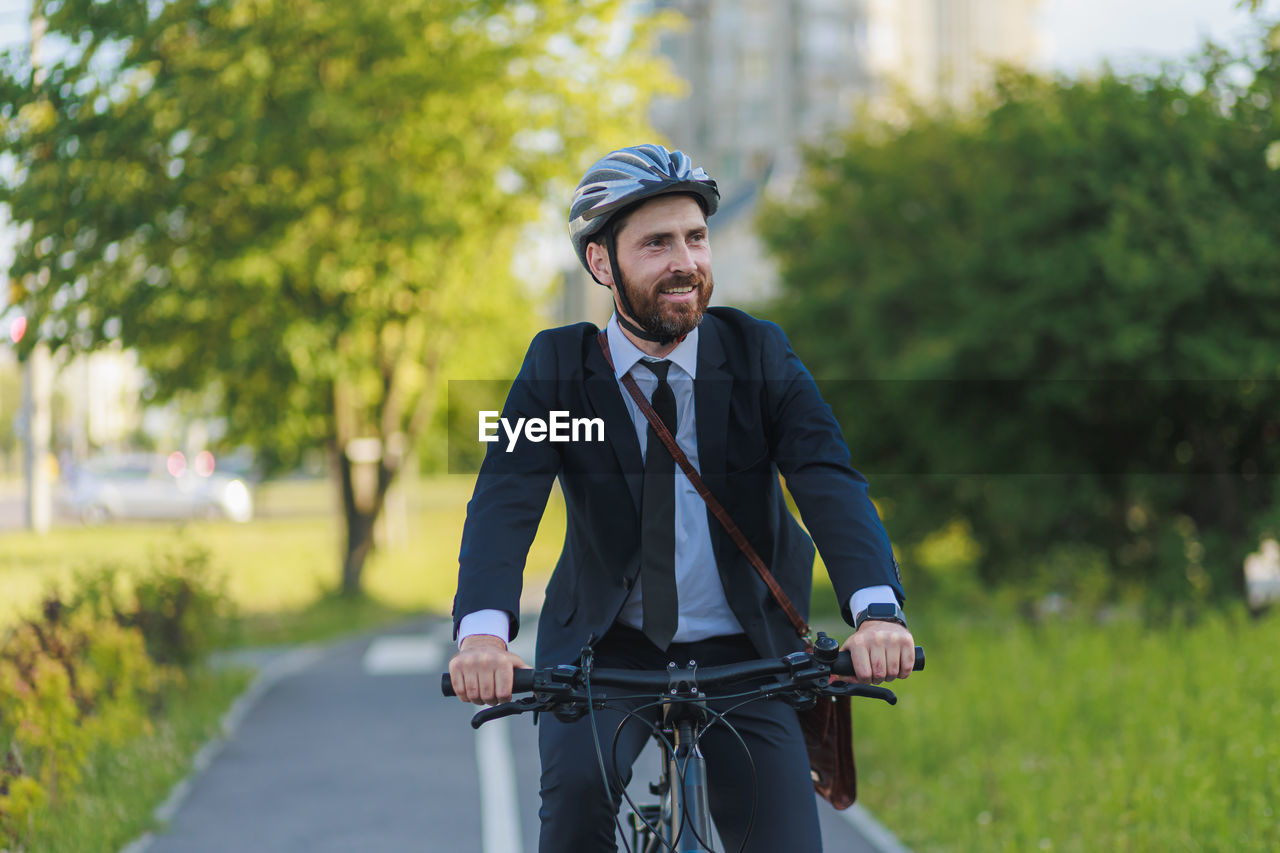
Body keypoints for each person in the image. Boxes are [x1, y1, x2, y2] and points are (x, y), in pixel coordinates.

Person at [449, 144, 914, 852]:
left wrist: (877, 611)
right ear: (602, 263)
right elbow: (506, 497)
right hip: (606, 656)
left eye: (696, 238)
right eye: (657, 243)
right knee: (574, 814)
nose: (686, 262)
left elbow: (826, 477)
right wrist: (483, 633)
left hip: (747, 650)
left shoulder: (759, 355)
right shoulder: (561, 371)